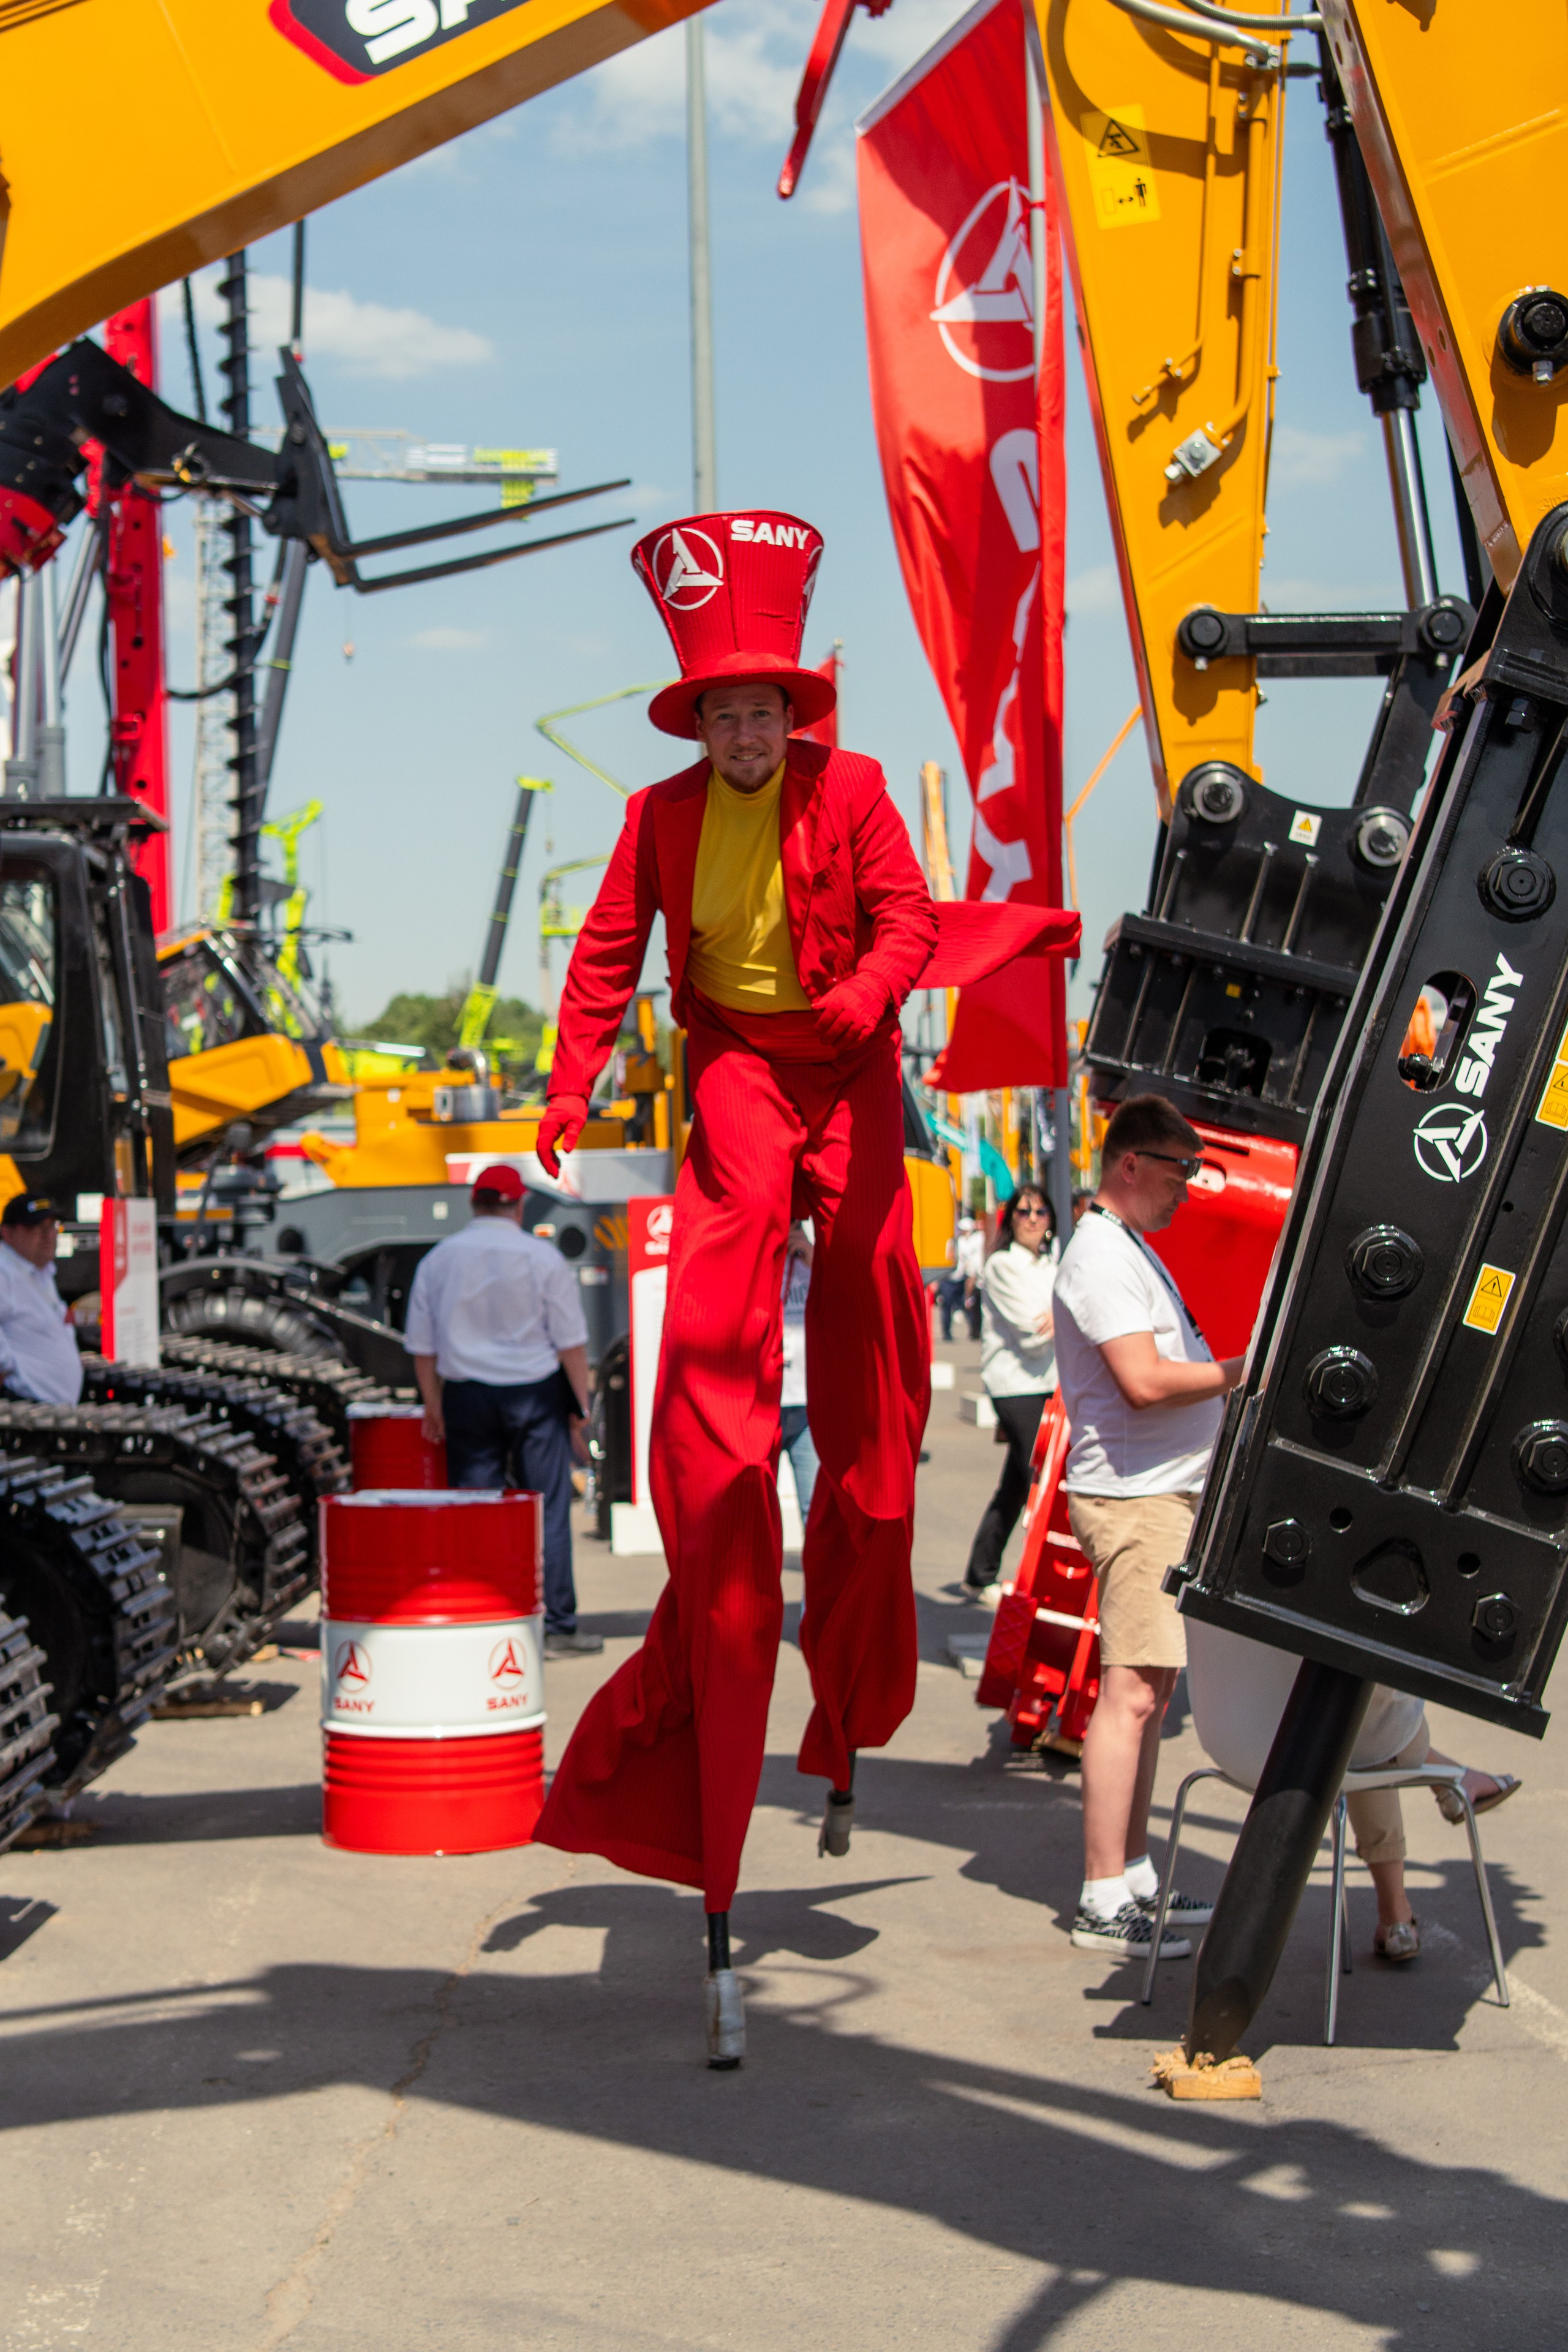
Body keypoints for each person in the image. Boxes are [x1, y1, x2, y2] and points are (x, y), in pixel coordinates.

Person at [530, 508, 938, 1974]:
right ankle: (713, 1522)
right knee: (720, 1289)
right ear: (700, 722)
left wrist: (867, 997)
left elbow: (908, 922)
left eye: (764, 708)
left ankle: (864, 1537)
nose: (747, 730)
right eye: (725, 713)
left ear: (791, 711)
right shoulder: (659, 817)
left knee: (872, 1311)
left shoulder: (862, 790)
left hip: (848, 1057)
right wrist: (569, 1083)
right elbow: (602, 958)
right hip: (741, 1063)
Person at [1052, 1093, 1245, 1961]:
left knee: (1150, 1696)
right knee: (1130, 1696)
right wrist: (1238, 1373)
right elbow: (1140, 1379)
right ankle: (1102, 1892)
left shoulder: (1124, 1247)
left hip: (1155, 1493)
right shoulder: (1100, 1252)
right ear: (1131, 1163)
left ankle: (1129, 1877)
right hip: (1136, 1499)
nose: (1187, 1190)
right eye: (1180, 1171)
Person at [404, 1162, 602, 1660]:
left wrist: (433, 1405)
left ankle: (480, 1620)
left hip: (467, 1396)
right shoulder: (543, 1258)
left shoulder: (439, 1260)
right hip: (535, 1393)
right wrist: (582, 1408)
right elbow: (571, 1345)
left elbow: (422, 1347)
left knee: (472, 1513)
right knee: (549, 1511)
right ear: (518, 1206)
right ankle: (558, 1627)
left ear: (473, 1204)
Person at [962, 1184, 1057, 1600]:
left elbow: (1052, 1324)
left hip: (1051, 1384)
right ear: (1010, 1220)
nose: (1033, 1220)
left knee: (1018, 1483)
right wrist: (1067, 1314)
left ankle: (980, 1571)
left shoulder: (1053, 1265)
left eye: (1040, 1212)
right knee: (1042, 1481)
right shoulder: (1001, 1266)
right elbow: (1033, 1336)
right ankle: (1039, 1580)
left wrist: (1059, 1317)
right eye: (1023, 1212)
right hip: (1015, 1386)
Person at [0, 1193, 83, 1405]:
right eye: (37, 1228)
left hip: (48, 1412)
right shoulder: (4, 1271)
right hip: (24, 1412)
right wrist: (6, 1369)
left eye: (53, 1226)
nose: (49, 1235)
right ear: (7, 1233)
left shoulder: (39, 1270)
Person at [779, 1221, 819, 1525]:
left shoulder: (814, 1262)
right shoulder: (755, 1265)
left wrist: (813, 1258)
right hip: (764, 1403)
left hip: (807, 1404)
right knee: (756, 1513)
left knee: (815, 1509)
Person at [956, 1212, 986, 1340]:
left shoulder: (979, 1238)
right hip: (965, 1275)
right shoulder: (962, 1241)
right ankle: (974, 1331)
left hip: (980, 1278)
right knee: (972, 1307)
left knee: (979, 1309)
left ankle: (977, 1331)